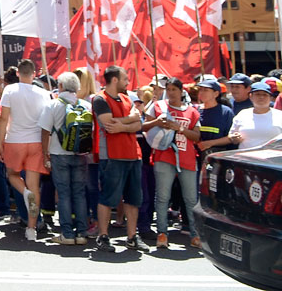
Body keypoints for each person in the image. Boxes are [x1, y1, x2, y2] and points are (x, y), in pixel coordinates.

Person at [93, 65, 148, 253]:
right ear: (114, 80)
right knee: (108, 197)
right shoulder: (100, 99)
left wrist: (123, 123)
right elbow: (109, 125)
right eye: (125, 78)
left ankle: (132, 237)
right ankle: (103, 236)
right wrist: (130, 119)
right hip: (112, 155)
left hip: (133, 154)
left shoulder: (126, 98)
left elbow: (138, 123)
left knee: (134, 199)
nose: (127, 82)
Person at [143, 76, 201, 248]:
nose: (170, 93)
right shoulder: (158, 107)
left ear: (181, 91)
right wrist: (157, 122)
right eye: (168, 89)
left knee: (190, 198)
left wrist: (180, 128)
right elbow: (144, 127)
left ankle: (195, 234)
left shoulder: (192, 111)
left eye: (174, 89)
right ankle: (162, 233)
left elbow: (197, 136)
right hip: (164, 156)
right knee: (162, 197)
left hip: (187, 158)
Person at [0, 58, 50, 242]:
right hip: (36, 141)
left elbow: (3, 119)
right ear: (34, 74)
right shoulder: (44, 93)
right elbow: (46, 123)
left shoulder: (10, 90)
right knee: (35, 185)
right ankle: (31, 229)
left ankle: (25, 193)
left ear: (18, 73)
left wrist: (0, 143)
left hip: (15, 140)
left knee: (12, 175)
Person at [39, 71, 89, 245]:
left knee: (64, 194)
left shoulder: (53, 105)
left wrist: (45, 153)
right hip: (81, 154)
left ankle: (67, 234)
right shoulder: (85, 105)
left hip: (58, 154)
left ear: (60, 86)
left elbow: (45, 131)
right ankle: (82, 233)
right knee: (80, 194)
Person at [230, 81, 282, 151]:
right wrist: (234, 138)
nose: (261, 97)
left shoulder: (279, 115)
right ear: (251, 96)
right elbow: (231, 135)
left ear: (270, 98)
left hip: (273, 159)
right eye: (257, 94)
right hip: (246, 158)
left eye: (265, 95)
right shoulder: (243, 114)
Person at [195, 77, 235, 155]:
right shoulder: (195, 110)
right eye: (201, 89)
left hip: (216, 156)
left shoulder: (226, 112)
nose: (202, 93)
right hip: (195, 155)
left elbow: (231, 137)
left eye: (206, 90)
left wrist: (210, 143)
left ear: (216, 94)